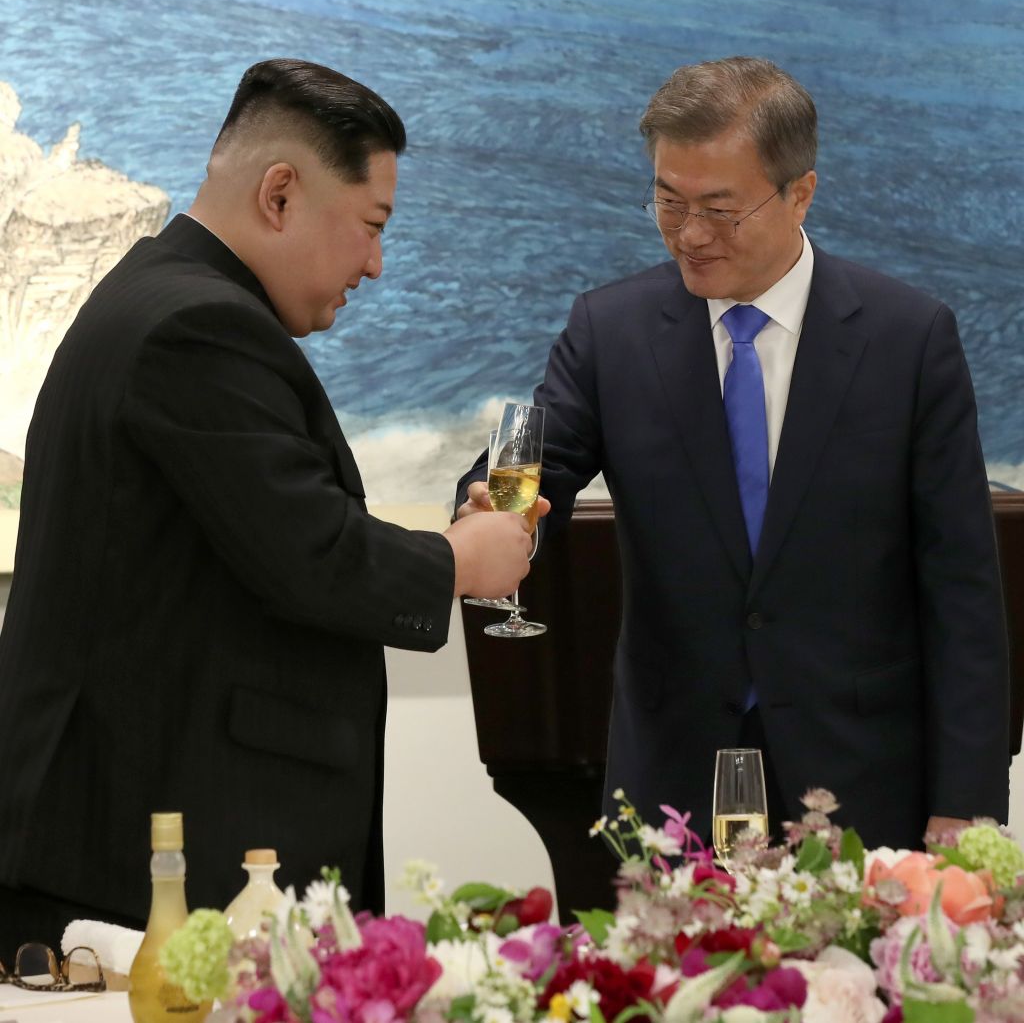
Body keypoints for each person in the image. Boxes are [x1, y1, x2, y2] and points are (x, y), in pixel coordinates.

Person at [0, 58, 533, 958]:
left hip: (131, 824)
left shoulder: (159, 293)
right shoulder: (196, 327)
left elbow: (262, 528)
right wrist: (461, 560)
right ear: (280, 193)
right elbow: (310, 554)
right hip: (143, 851)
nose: (375, 263)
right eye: (370, 226)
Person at [456, 56, 1009, 851]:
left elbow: (963, 589)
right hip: (672, 785)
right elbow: (530, 471)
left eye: (720, 208)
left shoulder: (907, 340)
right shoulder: (612, 333)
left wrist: (966, 802)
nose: (690, 234)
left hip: (862, 785)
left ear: (800, 193)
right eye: (667, 201)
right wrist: (489, 512)